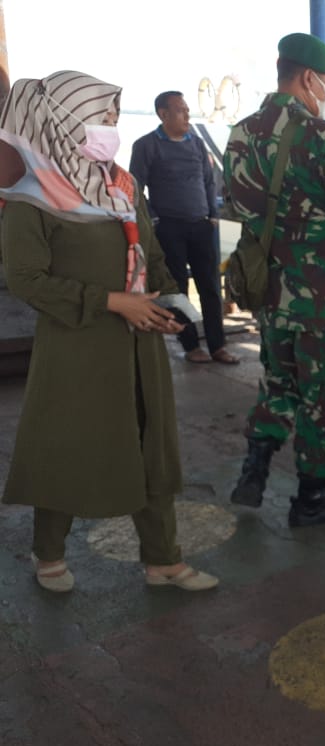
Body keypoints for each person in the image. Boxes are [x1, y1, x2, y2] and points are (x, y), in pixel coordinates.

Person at [0, 71, 218, 592]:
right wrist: (111, 301)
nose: (112, 129)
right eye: (104, 118)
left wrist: (169, 303)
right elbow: (25, 279)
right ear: (66, 123)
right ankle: (48, 554)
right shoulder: (31, 197)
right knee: (67, 444)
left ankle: (163, 558)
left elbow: (152, 253)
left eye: (115, 119)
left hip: (139, 343)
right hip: (77, 347)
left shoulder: (120, 185)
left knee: (150, 442)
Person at [224, 33, 325, 527]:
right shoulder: (324, 138)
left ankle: (256, 468)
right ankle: (312, 498)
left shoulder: (241, 134)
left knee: (279, 383)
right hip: (323, 299)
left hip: (271, 290)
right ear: (309, 78)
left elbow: (241, 206)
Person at [129, 91, 239, 365]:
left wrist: (213, 216)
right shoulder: (146, 146)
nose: (187, 115)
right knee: (177, 290)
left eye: (187, 110)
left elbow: (208, 182)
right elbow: (135, 188)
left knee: (210, 287)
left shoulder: (197, 145)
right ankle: (190, 345)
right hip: (169, 229)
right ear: (163, 114)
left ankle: (218, 346)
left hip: (202, 226)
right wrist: (153, 220)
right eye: (180, 111)